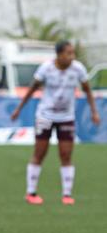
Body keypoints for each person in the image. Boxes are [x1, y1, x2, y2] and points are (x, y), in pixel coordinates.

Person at [10, 40, 100, 205]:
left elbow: (87, 90)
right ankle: (31, 193)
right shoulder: (46, 68)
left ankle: (67, 194)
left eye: (73, 53)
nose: (72, 56)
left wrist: (94, 112)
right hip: (45, 116)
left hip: (66, 117)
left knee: (66, 155)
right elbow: (32, 89)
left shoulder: (78, 69)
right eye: (68, 53)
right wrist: (18, 109)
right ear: (59, 54)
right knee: (39, 153)